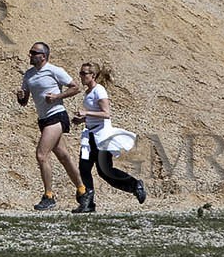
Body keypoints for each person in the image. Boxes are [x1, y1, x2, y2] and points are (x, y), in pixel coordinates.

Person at [69, 62, 146, 213]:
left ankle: (135, 185)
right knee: (83, 169)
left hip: (102, 136)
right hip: (90, 135)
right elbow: (95, 114)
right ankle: (87, 203)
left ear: (93, 76)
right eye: (81, 73)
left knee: (105, 171)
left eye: (84, 73)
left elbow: (106, 113)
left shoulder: (99, 91)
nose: (81, 76)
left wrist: (86, 113)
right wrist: (82, 120)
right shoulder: (89, 92)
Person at [16, 41, 85, 210]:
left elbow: (75, 87)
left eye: (34, 52)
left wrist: (57, 96)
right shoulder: (29, 75)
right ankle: (83, 190)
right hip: (43, 119)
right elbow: (24, 102)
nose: (30, 55)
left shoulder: (54, 70)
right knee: (63, 156)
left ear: (43, 56)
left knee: (41, 155)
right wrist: (21, 96)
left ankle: (49, 196)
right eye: (30, 52)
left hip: (57, 115)